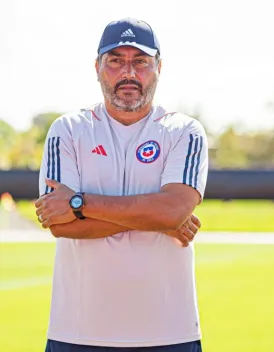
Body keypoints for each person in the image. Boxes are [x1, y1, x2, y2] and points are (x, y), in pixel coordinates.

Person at [35, 18, 208, 352]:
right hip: (76, 332)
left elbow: (172, 210)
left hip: (170, 332)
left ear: (159, 67)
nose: (128, 73)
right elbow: (59, 225)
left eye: (140, 62)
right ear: (98, 67)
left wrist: (78, 204)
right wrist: (156, 219)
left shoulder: (183, 130)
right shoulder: (68, 129)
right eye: (116, 61)